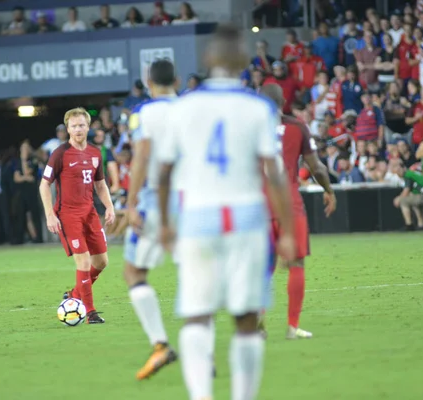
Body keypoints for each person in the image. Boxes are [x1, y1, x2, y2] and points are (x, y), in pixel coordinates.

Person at [156, 24, 296, 400]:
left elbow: (165, 172)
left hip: (198, 221)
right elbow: (275, 175)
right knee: (247, 318)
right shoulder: (258, 108)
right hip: (247, 221)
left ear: (208, 59)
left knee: (197, 315)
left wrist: (166, 225)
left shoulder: (183, 107)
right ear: (244, 60)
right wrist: (285, 232)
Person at [261, 83, 337, 339]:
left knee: (263, 266)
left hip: (260, 208)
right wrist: (329, 190)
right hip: (290, 206)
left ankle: (257, 323)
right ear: (283, 102)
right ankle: (292, 326)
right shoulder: (297, 127)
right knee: (296, 264)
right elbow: (316, 168)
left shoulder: (248, 130)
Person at [123, 59, 179, 380]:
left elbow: (143, 154)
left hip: (159, 199)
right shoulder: (191, 109)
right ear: (178, 79)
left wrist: (130, 203)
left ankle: (160, 345)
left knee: (134, 271)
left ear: (148, 81)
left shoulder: (145, 113)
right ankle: (203, 350)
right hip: (196, 201)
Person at [39, 108, 116, 324]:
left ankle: (74, 294)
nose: (78, 129)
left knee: (101, 261)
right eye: (74, 126)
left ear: (88, 127)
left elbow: (100, 184)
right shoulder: (60, 153)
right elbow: (44, 185)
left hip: (89, 213)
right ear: (68, 129)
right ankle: (90, 313)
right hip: (68, 215)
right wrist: (50, 215)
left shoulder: (94, 153)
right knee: (82, 262)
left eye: (82, 125)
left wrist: (109, 207)